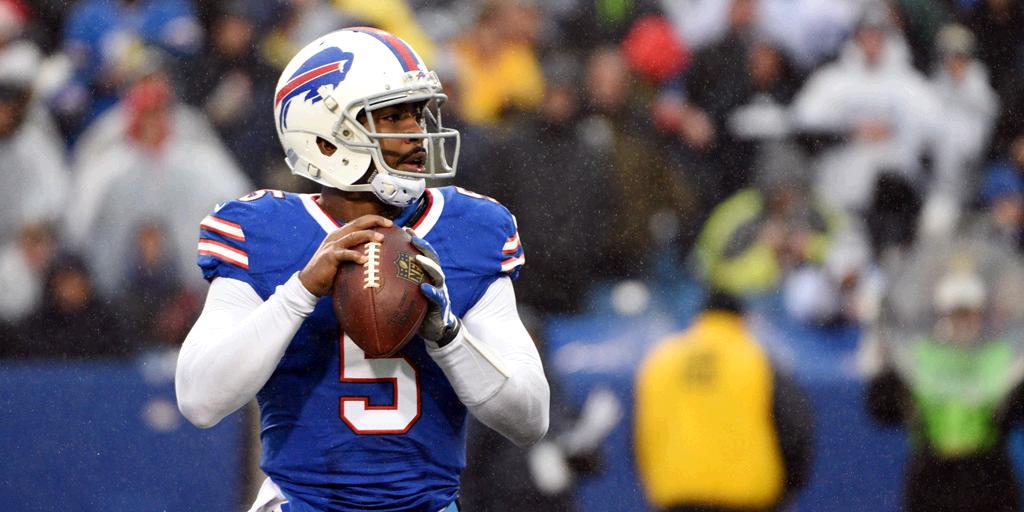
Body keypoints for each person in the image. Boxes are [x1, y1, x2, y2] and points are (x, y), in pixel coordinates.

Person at [174, 27, 550, 512]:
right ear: (326, 140)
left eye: (418, 113)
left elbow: (531, 418)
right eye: (392, 116)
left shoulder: (471, 228)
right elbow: (199, 399)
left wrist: (448, 338)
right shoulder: (265, 232)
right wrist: (300, 292)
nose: (416, 133)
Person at [634, 291, 815, 512]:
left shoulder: (660, 360)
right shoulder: (757, 359)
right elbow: (794, 427)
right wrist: (788, 489)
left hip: (677, 499)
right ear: (742, 319)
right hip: (745, 499)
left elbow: (642, 433)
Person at [865, 269, 1024, 512]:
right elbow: (881, 409)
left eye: (968, 313)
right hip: (932, 478)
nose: (962, 322)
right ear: (942, 315)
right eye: (955, 314)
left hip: (988, 477)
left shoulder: (1001, 357)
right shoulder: (918, 358)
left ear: (980, 314)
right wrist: (886, 358)